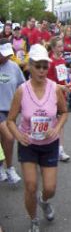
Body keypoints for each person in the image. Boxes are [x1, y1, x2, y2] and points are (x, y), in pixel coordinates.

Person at [7, 44, 68, 232]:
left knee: (50, 188)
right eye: (38, 66)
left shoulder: (55, 89)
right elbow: (10, 120)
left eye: (45, 66)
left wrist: (56, 128)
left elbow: (64, 112)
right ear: (30, 67)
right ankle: (33, 220)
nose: (42, 71)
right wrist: (18, 135)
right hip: (29, 144)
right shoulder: (22, 91)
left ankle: (44, 201)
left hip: (49, 144)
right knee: (31, 185)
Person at [0, 39, 24, 183]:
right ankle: (10, 168)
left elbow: (22, 86)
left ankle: (2, 167)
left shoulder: (14, 67)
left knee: (4, 140)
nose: (6, 57)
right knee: (9, 137)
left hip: (11, 110)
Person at [47, 36, 71, 162]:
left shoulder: (62, 60)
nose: (62, 48)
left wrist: (67, 84)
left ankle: (60, 149)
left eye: (62, 46)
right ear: (53, 48)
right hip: (52, 95)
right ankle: (54, 148)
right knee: (54, 122)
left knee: (60, 122)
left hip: (62, 94)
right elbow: (48, 82)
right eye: (59, 46)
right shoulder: (50, 62)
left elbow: (63, 77)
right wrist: (61, 86)